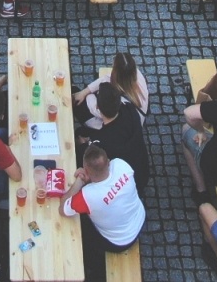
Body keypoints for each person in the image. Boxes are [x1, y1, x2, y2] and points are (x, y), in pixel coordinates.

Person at [60, 144, 145, 280]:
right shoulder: (121, 164)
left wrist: (80, 181)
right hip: (139, 218)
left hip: (118, 241)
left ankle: (93, 269)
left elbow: (63, 208)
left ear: (87, 170)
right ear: (108, 161)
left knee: (80, 227)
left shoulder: (88, 196)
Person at [81, 82, 151, 185]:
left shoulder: (101, 142)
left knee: (80, 140)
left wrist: (82, 143)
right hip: (142, 172)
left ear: (97, 107)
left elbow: (90, 151)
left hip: (125, 184)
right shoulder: (129, 109)